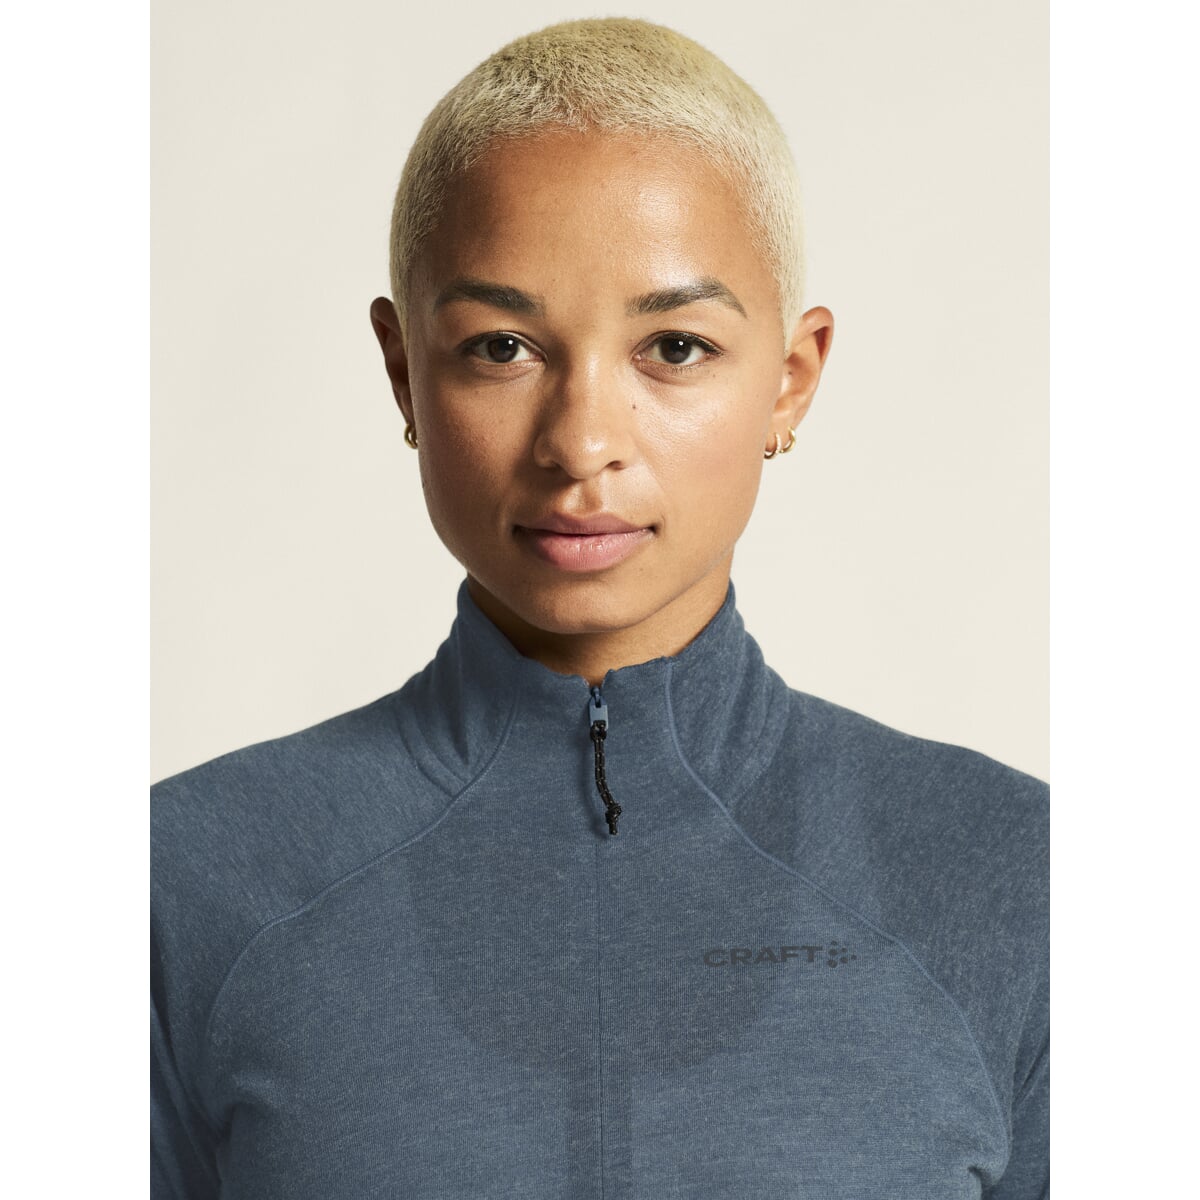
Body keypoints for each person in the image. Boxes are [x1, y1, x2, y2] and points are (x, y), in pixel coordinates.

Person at [151, 17, 1048, 1198]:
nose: (581, 443)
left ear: (790, 381)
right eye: (502, 347)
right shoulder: (177, 884)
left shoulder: (1023, 878)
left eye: (674, 346)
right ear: (404, 369)